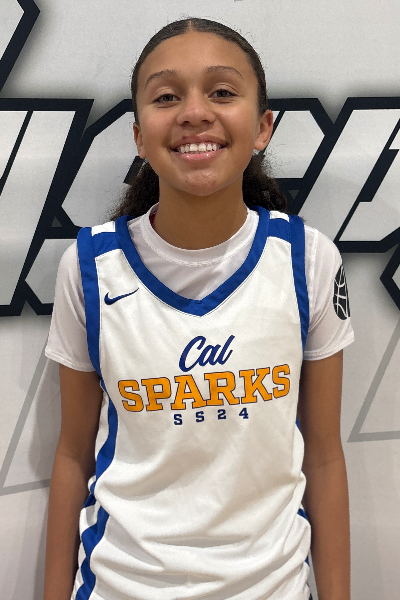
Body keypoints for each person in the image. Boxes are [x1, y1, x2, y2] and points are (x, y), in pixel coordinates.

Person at [43, 18, 353, 600]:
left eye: (222, 91)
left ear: (262, 126)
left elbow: (325, 458)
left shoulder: (307, 259)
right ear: (139, 136)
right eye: (166, 97)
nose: (194, 113)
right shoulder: (89, 267)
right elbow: (72, 455)